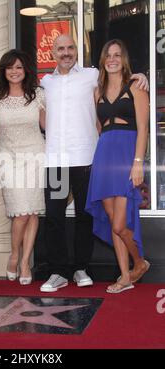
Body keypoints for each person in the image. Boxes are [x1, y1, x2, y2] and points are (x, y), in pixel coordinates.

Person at [39, 35, 149, 293]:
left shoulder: (91, 76)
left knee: (84, 217)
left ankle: (80, 268)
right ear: (53, 53)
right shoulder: (45, 82)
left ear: (77, 51)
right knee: (54, 216)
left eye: (70, 48)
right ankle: (57, 272)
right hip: (56, 159)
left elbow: (125, 80)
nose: (66, 53)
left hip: (87, 158)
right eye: (61, 49)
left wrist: (141, 74)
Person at [0, 49, 46, 285]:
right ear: (3, 71)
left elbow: (48, 125)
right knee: (21, 211)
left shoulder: (37, 94)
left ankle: (24, 261)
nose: (14, 72)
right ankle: (14, 253)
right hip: (9, 158)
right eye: (10, 67)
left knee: (32, 210)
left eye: (19, 67)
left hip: (36, 155)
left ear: (25, 70)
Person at [85, 39, 150, 293]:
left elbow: (143, 128)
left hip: (126, 157)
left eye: (116, 55)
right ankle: (125, 277)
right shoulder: (97, 91)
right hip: (104, 156)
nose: (112, 59)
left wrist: (137, 163)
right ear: (103, 60)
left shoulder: (136, 86)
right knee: (114, 221)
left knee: (120, 225)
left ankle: (140, 262)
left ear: (123, 59)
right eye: (107, 55)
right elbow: (99, 128)